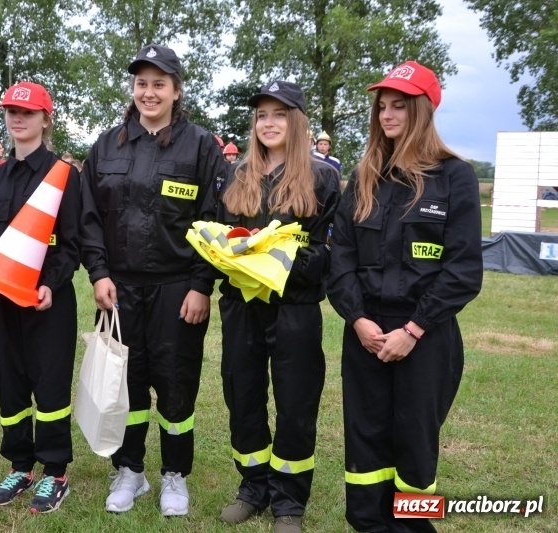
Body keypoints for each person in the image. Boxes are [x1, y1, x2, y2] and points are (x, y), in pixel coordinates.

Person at [327, 61, 483, 532]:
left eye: (398, 106)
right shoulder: (364, 179)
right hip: (367, 332)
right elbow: (342, 262)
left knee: (415, 441)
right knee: (366, 438)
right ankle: (368, 524)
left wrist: (413, 330)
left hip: (425, 335)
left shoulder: (455, 176)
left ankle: (413, 527)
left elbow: (463, 271)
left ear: (422, 110)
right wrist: (357, 320)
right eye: (381, 107)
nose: (386, 115)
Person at [80, 43, 227, 517]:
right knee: (127, 385)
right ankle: (132, 471)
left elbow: (216, 219)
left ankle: (174, 475)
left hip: (177, 288)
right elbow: (89, 219)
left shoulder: (201, 145)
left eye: (159, 84)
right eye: (141, 83)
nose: (148, 92)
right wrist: (99, 274)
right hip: (119, 290)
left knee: (176, 383)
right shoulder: (107, 144)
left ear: (176, 91)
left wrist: (202, 284)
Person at [216, 81, 341, 533]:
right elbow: (219, 235)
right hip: (241, 305)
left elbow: (333, 250)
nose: (269, 123)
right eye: (262, 115)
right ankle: (253, 487)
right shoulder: (235, 174)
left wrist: (287, 260)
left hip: (296, 307)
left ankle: (289, 500)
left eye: (280, 114)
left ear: (298, 121)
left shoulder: (324, 177)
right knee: (242, 395)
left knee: (295, 401)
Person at [0, 81, 81, 513]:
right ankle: (20, 465)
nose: (17, 119)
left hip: (48, 302)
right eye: (11, 112)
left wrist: (51, 283)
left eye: (27, 113)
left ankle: (55, 473)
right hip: (4, 302)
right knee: (9, 384)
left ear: (45, 119)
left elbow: (71, 243)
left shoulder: (63, 175)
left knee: (50, 388)